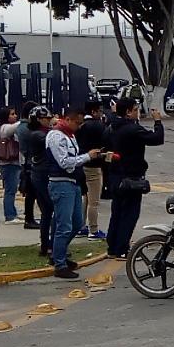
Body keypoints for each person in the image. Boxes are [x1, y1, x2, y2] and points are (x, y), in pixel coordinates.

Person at [45, 107, 101, 279]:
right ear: (67, 120)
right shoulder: (56, 136)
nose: (79, 126)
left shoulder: (70, 135)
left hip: (73, 182)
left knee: (77, 222)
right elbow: (64, 162)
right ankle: (59, 263)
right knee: (64, 225)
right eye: (77, 123)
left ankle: (58, 254)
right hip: (61, 183)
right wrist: (87, 157)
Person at [105, 98, 164, 259]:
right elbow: (156, 138)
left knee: (117, 213)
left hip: (115, 176)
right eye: (136, 109)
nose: (138, 112)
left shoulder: (111, 127)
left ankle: (112, 247)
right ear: (128, 112)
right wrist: (157, 121)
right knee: (129, 214)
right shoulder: (131, 129)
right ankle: (122, 248)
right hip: (130, 177)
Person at [27, 106, 55, 256]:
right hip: (41, 175)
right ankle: (49, 245)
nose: (49, 121)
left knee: (47, 212)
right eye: (46, 119)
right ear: (38, 119)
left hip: (42, 174)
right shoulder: (38, 135)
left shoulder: (43, 133)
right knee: (51, 209)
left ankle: (46, 245)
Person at [76, 101, 106, 239]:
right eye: (99, 111)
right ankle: (93, 230)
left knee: (85, 197)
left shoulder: (80, 126)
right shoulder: (98, 126)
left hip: (81, 163)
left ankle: (80, 226)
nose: (101, 113)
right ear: (93, 112)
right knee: (94, 201)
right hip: (94, 165)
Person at [0, 107, 25, 225]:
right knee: (10, 190)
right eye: (12, 114)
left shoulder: (5, 128)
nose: (15, 116)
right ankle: (10, 216)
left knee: (11, 189)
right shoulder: (5, 128)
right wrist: (27, 119)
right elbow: (18, 125)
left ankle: (12, 212)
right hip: (8, 163)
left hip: (11, 163)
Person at [16, 101, 41, 229]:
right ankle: (29, 219)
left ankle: (29, 217)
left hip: (26, 162)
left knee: (31, 194)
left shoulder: (20, 127)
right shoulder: (28, 129)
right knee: (33, 193)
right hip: (31, 162)